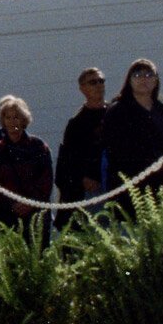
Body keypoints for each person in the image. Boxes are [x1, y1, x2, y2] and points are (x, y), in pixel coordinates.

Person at [99, 59, 163, 205]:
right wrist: (161, 164)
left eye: (149, 75)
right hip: (134, 190)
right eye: (137, 75)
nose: (143, 79)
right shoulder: (117, 111)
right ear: (129, 81)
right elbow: (120, 151)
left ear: (156, 80)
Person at [0, 95, 54, 235]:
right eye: (8, 118)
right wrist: (11, 205)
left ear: (23, 119)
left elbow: (45, 181)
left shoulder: (38, 147)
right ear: (3, 121)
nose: (12, 122)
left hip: (35, 215)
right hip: (6, 216)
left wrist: (29, 203)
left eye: (16, 117)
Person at [55, 69, 107, 219]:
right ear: (82, 88)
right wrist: (82, 179)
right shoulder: (76, 124)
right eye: (93, 82)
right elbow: (66, 164)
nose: (98, 85)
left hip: (115, 186)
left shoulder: (114, 114)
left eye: (101, 81)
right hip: (92, 192)